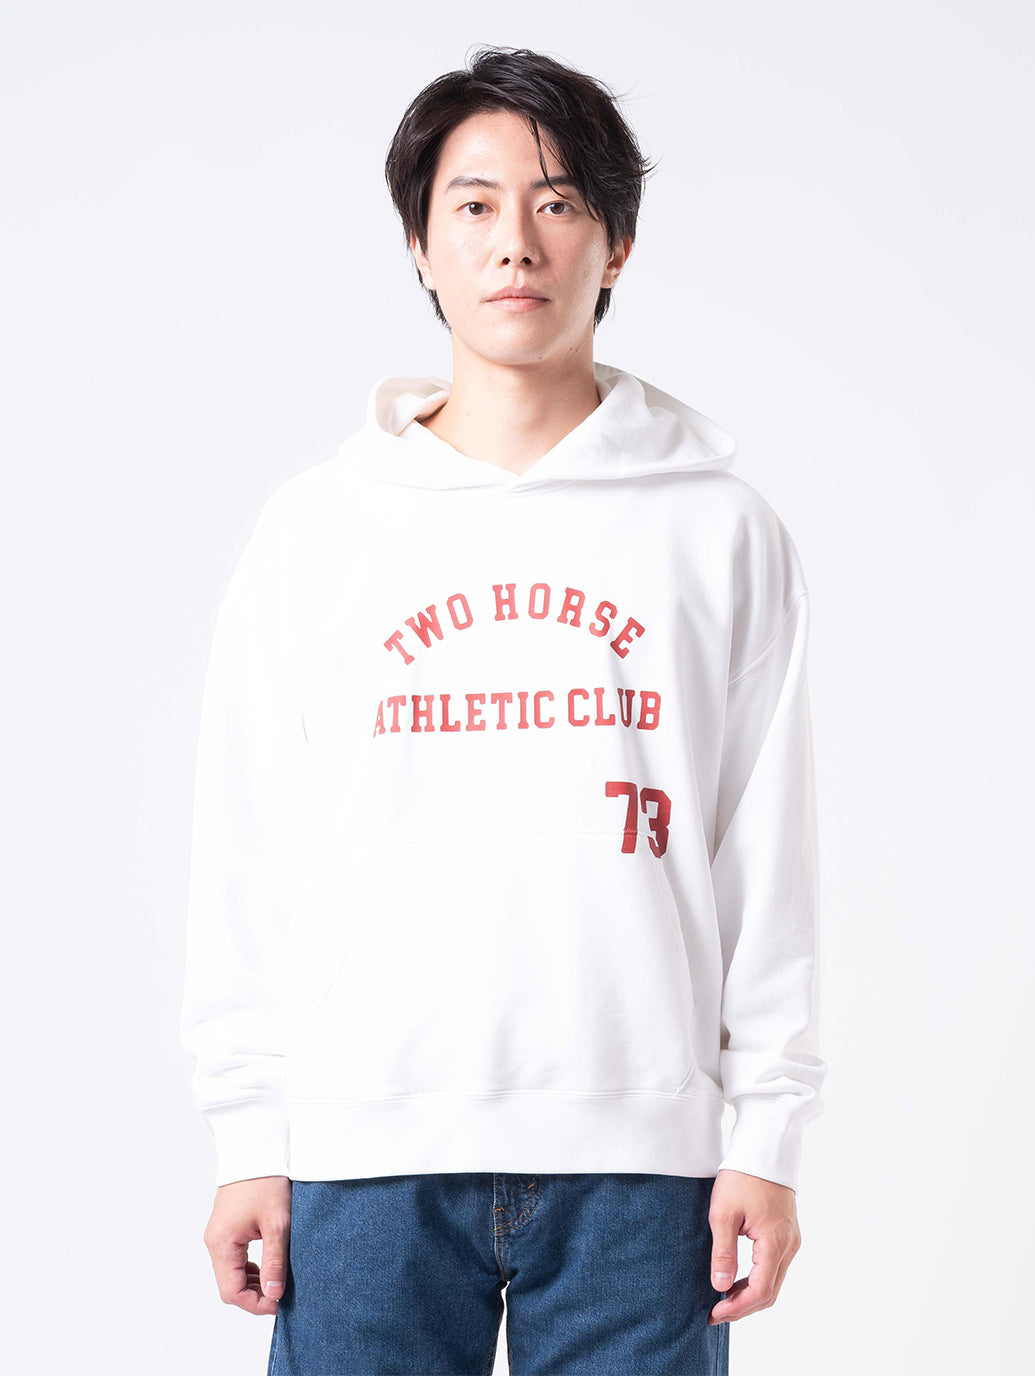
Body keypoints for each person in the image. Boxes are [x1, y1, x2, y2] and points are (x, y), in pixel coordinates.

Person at [180, 44, 828, 1376]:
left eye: (557, 201)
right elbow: (249, 846)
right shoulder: (319, 533)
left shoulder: (717, 530)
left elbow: (767, 855)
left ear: (617, 240)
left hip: (643, 1163)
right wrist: (250, 1136)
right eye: (472, 205)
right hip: (366, 1151)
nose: (514, 242)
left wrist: (766, 1140)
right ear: (420, 245)